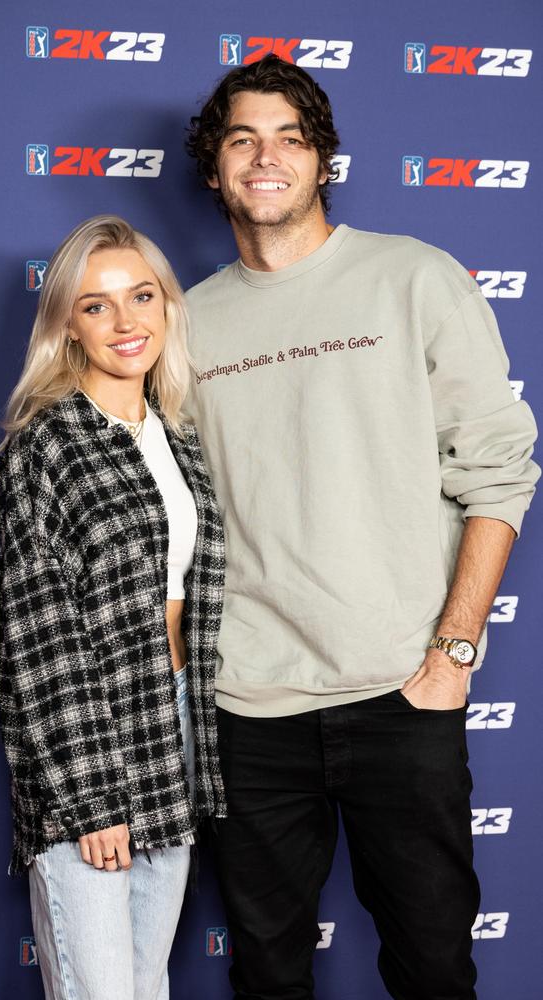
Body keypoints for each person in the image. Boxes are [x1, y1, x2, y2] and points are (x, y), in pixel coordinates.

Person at [185, 55, 539, 1000]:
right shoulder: (184, 323)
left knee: (432, 965)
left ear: (322, 161)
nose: (267, 159)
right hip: (249, 708)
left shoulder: (415, 278)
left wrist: (452, 652)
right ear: (214, 169)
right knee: (268, 975)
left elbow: (500, 473)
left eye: (290, 139)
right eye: (242, 140)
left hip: (402, 692)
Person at [0, 215, 226, 1000]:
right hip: (88, 745)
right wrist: (90, 798)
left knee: (144, 983)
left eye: (142, 296)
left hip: (176, 730)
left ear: (167, 307)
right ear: (66, 324)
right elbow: (41, 634)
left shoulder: (179, 437)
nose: (126, 323)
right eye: (96, 305)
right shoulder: (46, 444)